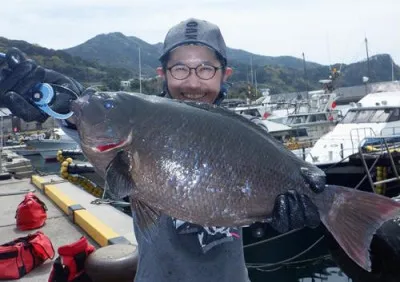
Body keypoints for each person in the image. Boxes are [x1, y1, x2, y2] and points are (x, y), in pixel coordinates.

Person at [0, 18, 322, 281]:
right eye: (180, 68)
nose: (193, 83)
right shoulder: (142, 126)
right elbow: (86, 113)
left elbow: (275, 182)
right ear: (163, 74)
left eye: (205, 69)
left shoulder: (249, 134)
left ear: (225, 75)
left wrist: (298, 201)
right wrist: (50, 93)